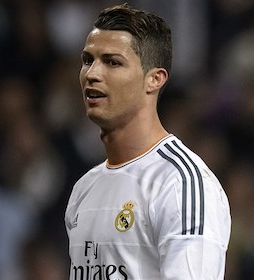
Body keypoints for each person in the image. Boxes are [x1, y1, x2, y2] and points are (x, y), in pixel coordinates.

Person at [64, 4, 231, 280]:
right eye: (87, 60)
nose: (92, 74)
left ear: (154, 79)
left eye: (112, 62)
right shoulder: (84, 189)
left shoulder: (181, 184)